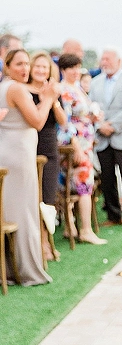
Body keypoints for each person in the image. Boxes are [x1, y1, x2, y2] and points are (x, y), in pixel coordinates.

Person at [0, 49, 57, 285]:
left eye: (27, 64)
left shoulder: (4, 87)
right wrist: (49, 99)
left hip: (9, 153)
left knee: (10, 211)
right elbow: (37, 121)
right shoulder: (16, 88)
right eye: (19, 64)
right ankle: (25, 270)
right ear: (8, 66)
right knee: (23, 212)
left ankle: (10, 268)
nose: (24, 69)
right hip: (18, 156)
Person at [90, 47, 122, 230]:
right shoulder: (95, 82)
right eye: (102, 59)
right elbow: (91, 108)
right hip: (102, 138)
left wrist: (111, 125)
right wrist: (99, 125)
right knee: (107, 178)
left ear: (119, 61)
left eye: (108, 59)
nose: (104, 62)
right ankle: (114, 215)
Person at [57, 54, 106, 245]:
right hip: (75, 144)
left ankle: (74, 227)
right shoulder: (64, 91)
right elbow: (65, 122)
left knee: (82, 185)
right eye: (71, 68)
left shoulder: (77, 88)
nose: (75, 72)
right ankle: (85, 229)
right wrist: (75, 146)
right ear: (63, 70)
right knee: (83, 186)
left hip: (86, 142)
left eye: (77, 67)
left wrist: (93, 119)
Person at [28, 51, 67, 260]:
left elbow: (63, 121)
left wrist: (52, 100)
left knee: (48, 199)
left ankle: (45, 242)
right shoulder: (23, 92)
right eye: (38, 67)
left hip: (49, 148)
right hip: (29, 148)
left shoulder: (53, 91)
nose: (41, 70)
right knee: (32, 199)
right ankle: (34, 245)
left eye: (45, 67)